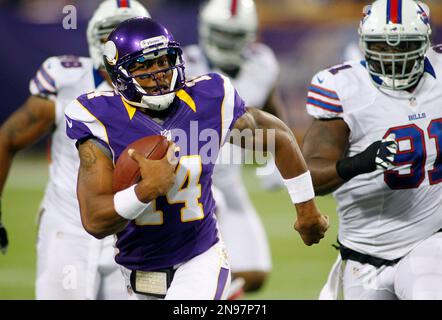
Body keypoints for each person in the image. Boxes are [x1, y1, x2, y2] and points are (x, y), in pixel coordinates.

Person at [64, 17, 329, 300]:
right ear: (118, 74)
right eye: (143, 66)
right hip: (136, 271)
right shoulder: (99, 119)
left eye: (163, 61)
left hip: (200, 258)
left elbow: (279, 137)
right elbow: (94, 221)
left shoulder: (209, 98)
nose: (158, 74)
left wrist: (306, 209)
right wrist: (146, 190)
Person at [0, 0, 151, 299]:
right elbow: (7, 138)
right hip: (69, 226)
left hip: (134, 232)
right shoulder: (67, 79)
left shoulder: (163, 91)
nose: (118, 48)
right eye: (110, 37)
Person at [302, 0, 442, 299]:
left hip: (429, 240)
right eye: (381, 45)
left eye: (405, 46)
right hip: (361, 255)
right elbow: (309, 175)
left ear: (426, 43)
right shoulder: (343, 87)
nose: (392, 55)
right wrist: (361, 162)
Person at [183, 0, 287, 294]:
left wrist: (279, 156)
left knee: (252, 275)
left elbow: (272, 112)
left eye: (234, 35)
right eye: (221, 33)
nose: (227, 41)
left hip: (229, 182)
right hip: (188, 182)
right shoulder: (184, 65)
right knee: (192, 270)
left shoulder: (263, 62)